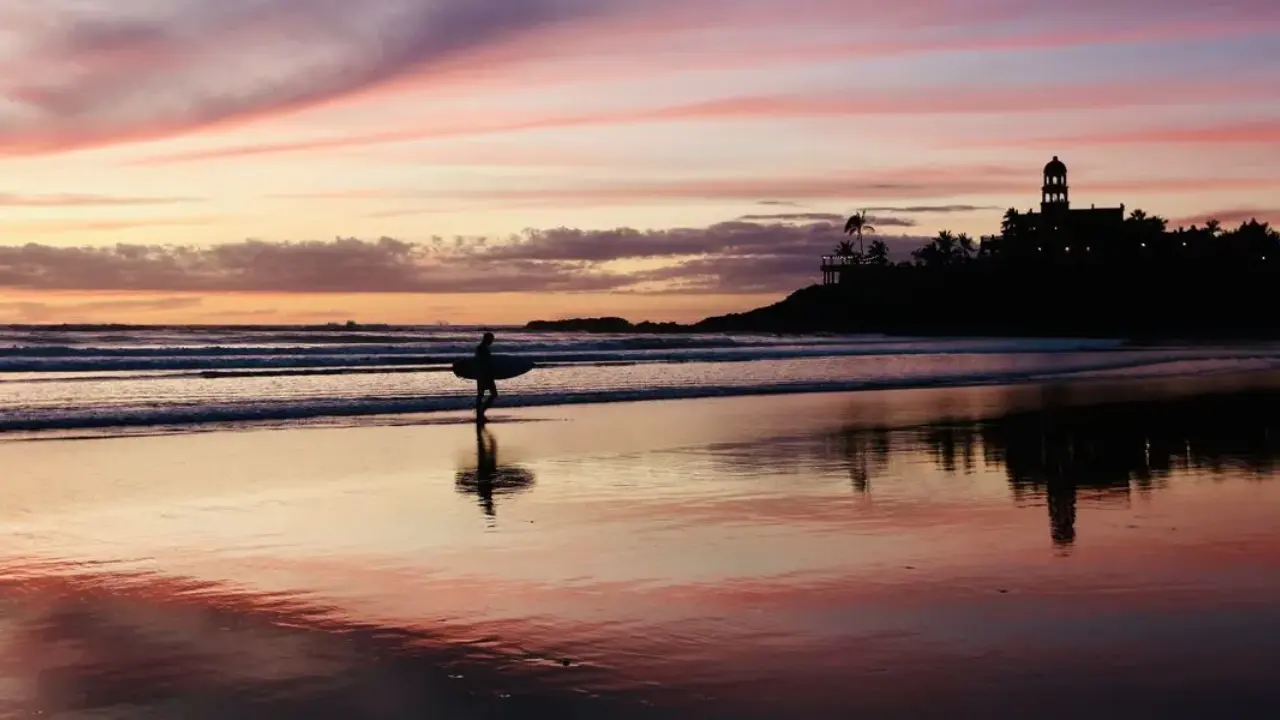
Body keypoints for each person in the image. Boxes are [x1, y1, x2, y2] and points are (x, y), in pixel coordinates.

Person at [474, 331, 498, 423]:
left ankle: (479, 414)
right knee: (493, 394)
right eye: (491, 339)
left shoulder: (480, 348)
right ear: (487, 339)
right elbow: (484, 363)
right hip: (485, 375)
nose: (492, 341)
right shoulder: (482, 349)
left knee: (480, 394)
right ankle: (481, 413)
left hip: (480, 374)